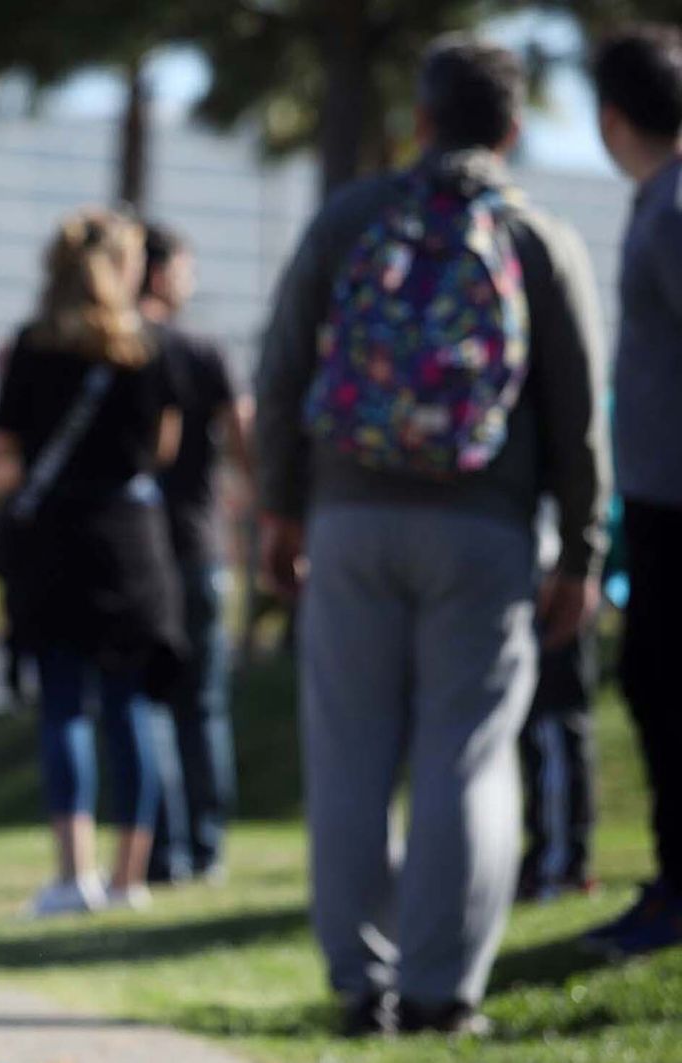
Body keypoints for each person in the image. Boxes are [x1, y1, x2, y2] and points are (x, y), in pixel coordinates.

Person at [255, 37, 608, 1036]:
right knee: (467, 754)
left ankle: (359, 984)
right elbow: (576, 412)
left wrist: (281, 509)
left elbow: (282, 370)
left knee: (349, 751)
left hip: (349, 516)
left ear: (420, 119)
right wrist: (580, 550)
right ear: (511, 127)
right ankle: (440, 990)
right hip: (483, 528)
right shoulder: (536, 236)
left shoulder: (351, 218)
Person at [0, 207, 185, 917]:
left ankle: (76, 876)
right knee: (132, 706)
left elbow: (9, 451)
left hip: (53, 542)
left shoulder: (31, 346)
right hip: (131, 540)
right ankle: (132, 879)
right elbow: (163, 448)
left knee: (64, 707)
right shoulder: (151, 347)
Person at [584, 23, 682, 959]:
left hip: (674, 508)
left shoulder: (673, 208)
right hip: (657, 502)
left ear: (611, 118)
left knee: (662, 689)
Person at [136, 222, 253, 886]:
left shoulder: (113, 349)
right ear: (157, 273)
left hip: (133, 556)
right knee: (202, 705)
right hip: (199, 545)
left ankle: (160, 852)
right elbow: (245, 441)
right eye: (185, 267)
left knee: (144, 703)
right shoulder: (204, 348)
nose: (191, 280)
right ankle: (206, 850)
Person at [517, 502, 600, 904]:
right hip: (522, 571)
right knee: (534, 737)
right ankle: (546, 859)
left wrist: (569, 564)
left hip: (553, 574)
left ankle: (560, 864)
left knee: (554, 729)